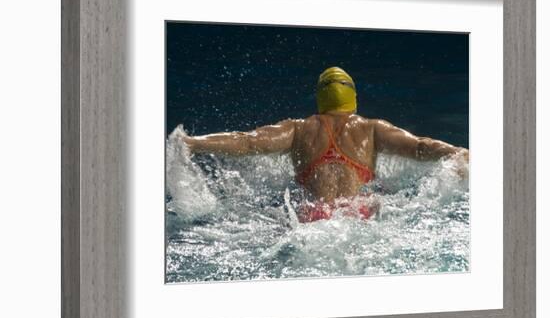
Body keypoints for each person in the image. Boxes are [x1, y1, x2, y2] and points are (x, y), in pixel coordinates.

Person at [176, 67, 469, 223]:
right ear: (352, 97)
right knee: (381, 201)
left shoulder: (297, 129)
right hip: (358, 217)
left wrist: (193, 143)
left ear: (320, 97)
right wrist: (455, 151)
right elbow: (420, 147)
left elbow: (247, 142)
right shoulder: (371, 129)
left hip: (310, 219)